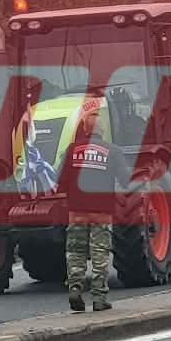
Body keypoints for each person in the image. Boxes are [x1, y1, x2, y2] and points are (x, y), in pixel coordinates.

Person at [60, 100, 117, 312]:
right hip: (102, 212)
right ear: (102, 130)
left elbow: (61, 181)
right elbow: (124, 179)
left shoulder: (72, 150)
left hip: (77, 212)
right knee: (100, 254)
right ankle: (99, 299)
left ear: (84, 129)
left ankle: (75, 290)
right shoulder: (111, 151)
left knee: (75, 252)